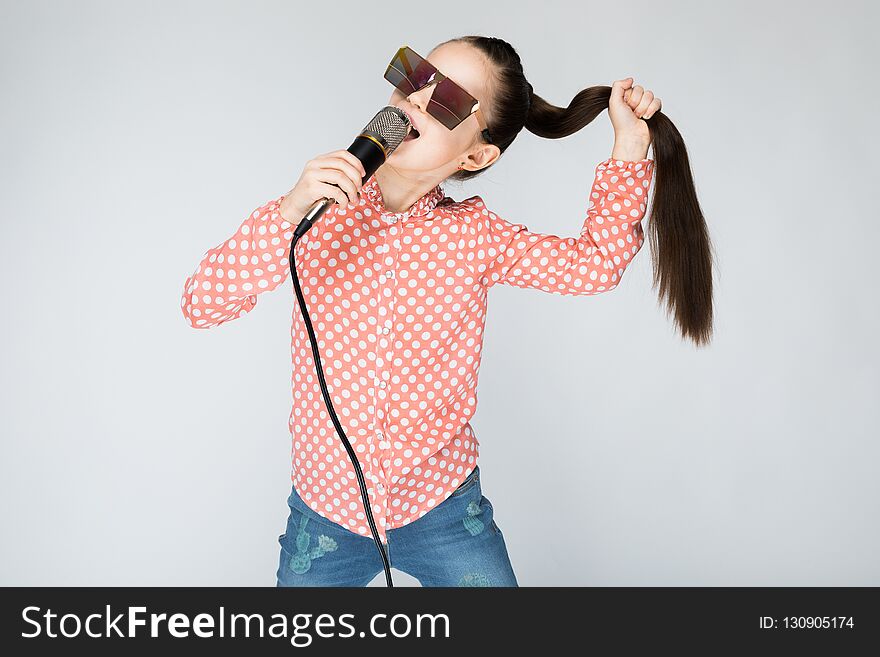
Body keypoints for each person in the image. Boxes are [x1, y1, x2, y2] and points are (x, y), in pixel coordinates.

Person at [181, 35, 713, 587]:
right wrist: (288, 212)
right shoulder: (313, 214)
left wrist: (629, 148)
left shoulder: (475, 237)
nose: (416, 99)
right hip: (326, 516)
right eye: (415, 78)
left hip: (443, 513)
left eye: (446, 101)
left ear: (476, 155)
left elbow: (596, 265)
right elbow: (202, 303)